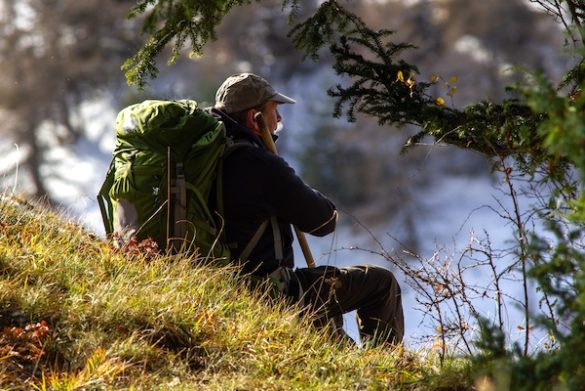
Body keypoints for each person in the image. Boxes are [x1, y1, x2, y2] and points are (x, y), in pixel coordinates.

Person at [209, 72, 404, 346]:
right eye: (274, 111)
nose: (278, 120)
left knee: (332, 329)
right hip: (271, 293)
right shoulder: (259, 164)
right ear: (256, 118)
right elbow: (324, 222)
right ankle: (389, 373)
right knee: (380, 283)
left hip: (221, 289)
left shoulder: (209, 157)